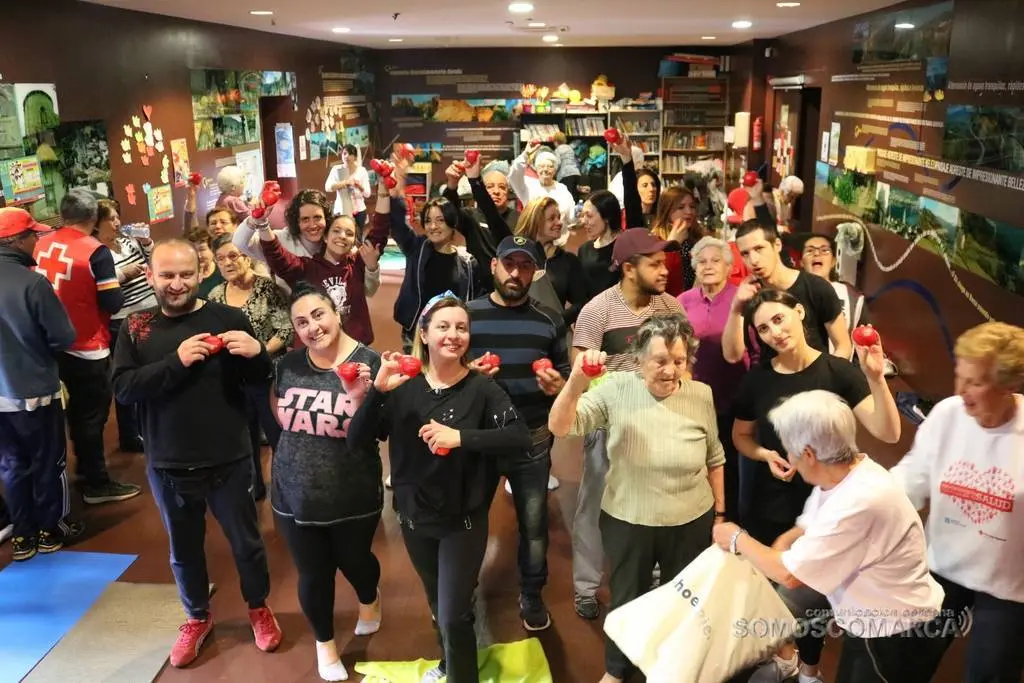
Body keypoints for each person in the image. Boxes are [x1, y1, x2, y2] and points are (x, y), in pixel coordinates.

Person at [110, 239, 283, 668]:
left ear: (200, 273)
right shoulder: (136, 327)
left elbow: (257, 382)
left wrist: (259, 356)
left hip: (229, 456)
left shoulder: (227, 318)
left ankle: (259, 607)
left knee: (247, 543)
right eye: (167, 275)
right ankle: (196, 617)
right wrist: (177, 360)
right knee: (184, 549)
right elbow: (124, 389)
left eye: (186, 274)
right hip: (168, 462)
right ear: (150, 276)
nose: (177, 284)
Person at [347, 294, 531, 683]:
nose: (453, 335)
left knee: (453, 613)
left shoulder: (482, 389)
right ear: (424, 334)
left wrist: (460, 437)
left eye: (461, 327)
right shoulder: (402, 387)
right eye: (443, 326)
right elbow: (356, 440)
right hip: (414, 518)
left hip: (462, 521)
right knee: (437, 603)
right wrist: (377, 391)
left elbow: (518, 437)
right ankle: (449, 662)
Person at [713, 390, 945, 683]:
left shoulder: (857, 502)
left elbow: (790, 575)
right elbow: (807, 529)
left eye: (790, 451)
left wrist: (736, 537)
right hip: (879, 621)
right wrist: (783, 546)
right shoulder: (849, 472)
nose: (789, 459)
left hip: (893, 631)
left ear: (809, 454)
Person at [731, 288, 901, 683]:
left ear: (799, 311)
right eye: (763, 328)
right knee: (773, 588)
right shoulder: (758, 379)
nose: (774, 332)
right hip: (770, 501)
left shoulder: (837, 372)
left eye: (779, 319)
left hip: (828, 503)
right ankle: (784, 655)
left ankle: (810, 669)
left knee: (816, 594)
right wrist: (765, 455)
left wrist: (876, 378)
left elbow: (889, 432)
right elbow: (741, 435)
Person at [551, 314, 725, 683]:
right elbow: (561, 426)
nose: (670, 371)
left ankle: (674, 666)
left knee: (683, 599)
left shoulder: (701, 394)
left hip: (690, 519)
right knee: (627, 600)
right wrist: (577, 381)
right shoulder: (615, 388)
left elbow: (715, 458)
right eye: (660, 360)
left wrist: (720, 515)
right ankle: (617, 669)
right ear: (638, 359)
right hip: (629, 518)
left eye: (679, 361)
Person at [890, 321, 1024, 682]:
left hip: (1010, 582)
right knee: (907, 659)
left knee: (990, 672)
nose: (960, 391)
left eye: (975, 382)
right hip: (944, 563)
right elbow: (909, 480)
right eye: (959, 376)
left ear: (1009, 385)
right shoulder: (947, 415)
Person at [569, 228, 687, 620]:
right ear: (628, 268)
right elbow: (579, 370)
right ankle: (586, 587)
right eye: (654, 263)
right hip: (609, 427)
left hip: (660, 425)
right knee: (595, 507)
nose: (665, 270)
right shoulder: (597, 310)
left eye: (664, 262)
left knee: (655, 506)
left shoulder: (671, 308)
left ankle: (653, 580)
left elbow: (685, 364)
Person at [272, 284, 383, 682]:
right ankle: (325, 644)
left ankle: (369, 598)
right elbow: (279, 422)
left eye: (318, 315)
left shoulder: (370, 362)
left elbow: (380, 431)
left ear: (336, 312)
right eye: (301, 322)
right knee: (313, 573)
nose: (312, 327)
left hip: (352, 493)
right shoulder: (287, 366)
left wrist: (361, 398)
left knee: (356, 562)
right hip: (294, 494)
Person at [466, 235, 571, 631]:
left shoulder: (549, 319)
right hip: (480, 438)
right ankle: (463, 589)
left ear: (535, 273)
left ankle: (532, 592)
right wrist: (468, 375)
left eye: (525, 266)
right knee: (469, 521)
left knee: (534, 524)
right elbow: (444, 371)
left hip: (532, 436)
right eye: (508, 263)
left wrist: (558, 386)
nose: (515, 272)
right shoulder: (468, 315)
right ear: (493, 265)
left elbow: (564, 374)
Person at [33, 188, 140, 505]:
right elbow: (112, 301)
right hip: (87, 344)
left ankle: (74, 473)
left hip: (48, 342)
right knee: (91, 414)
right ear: (94, 217)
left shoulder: (41, 243)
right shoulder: (95, 252)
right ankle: (96, 482)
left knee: (70, 414)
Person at [0, 208, 82, 561]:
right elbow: (63, 335)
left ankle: (22, 536)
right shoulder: (33, 283)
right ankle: (52, 529)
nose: (37, 240)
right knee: (49, 462)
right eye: (32, 234)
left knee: (11, 465)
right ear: (15, 241)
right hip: (35, 390)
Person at [207, 235, 293, 500]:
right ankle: (254, 487)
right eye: (220, 258)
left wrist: (258, 351)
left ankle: (287, 490)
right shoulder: (215, 295)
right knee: (244, 438)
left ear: (247, 256)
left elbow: (285, 330)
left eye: (233, 256)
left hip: (269, 376)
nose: (227, 263)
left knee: (278, 436)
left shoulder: (267, 289)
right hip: (233, 379)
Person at [260, 192, 389, 346]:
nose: (342, 236)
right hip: (316, 348)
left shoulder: (357, 264)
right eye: (336, 230)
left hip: (354, 348)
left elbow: (379, 233)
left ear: (354, 242)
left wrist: (384, 190)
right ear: (326, 237)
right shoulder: (305, 268)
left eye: (349, 233)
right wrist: (262, 222)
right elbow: (275, 254)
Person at [679, 236, 749, 519]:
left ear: (729, 267)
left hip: (734, 396)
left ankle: (727, 519)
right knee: (695, 460)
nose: (708, 266)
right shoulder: (683, 301)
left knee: (729, 464)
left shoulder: (742, 299)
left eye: (715, 261)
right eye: (702, 262)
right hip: (694, 397)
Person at [723, 220, 852, 366]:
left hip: (814, 374)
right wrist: (736, 308)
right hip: (770, 377)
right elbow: (732, 356)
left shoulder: (816, 287)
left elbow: (843, 346)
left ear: (777, 245)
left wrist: (825, 375)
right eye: (745, 254)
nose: (753, 260)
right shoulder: (749, 293)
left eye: (759, 249)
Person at [95, 198, 155, 453]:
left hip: (151, 309)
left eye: (117, 216)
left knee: (154, 369)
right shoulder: (97, 252)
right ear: (96, 224)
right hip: (123, 319)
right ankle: (130, 434)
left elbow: (152, 261)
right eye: (110, 218)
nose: (117, 222)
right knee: (129, 375)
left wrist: (147, 243)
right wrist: (122, 274)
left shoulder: (128, 241)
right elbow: (96, 285)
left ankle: (151, 426)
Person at [325, 144, 371, 231]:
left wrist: (359, 186)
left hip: (359, 211)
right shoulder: (336, 169)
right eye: (344, 153)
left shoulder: (362, 171)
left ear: (355, 157)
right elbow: (328, 187)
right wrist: (345, 183)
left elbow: (367, 194)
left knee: (357, 236)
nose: (347, 156)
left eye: (350, 154)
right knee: (342, 235)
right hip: (341, 210)